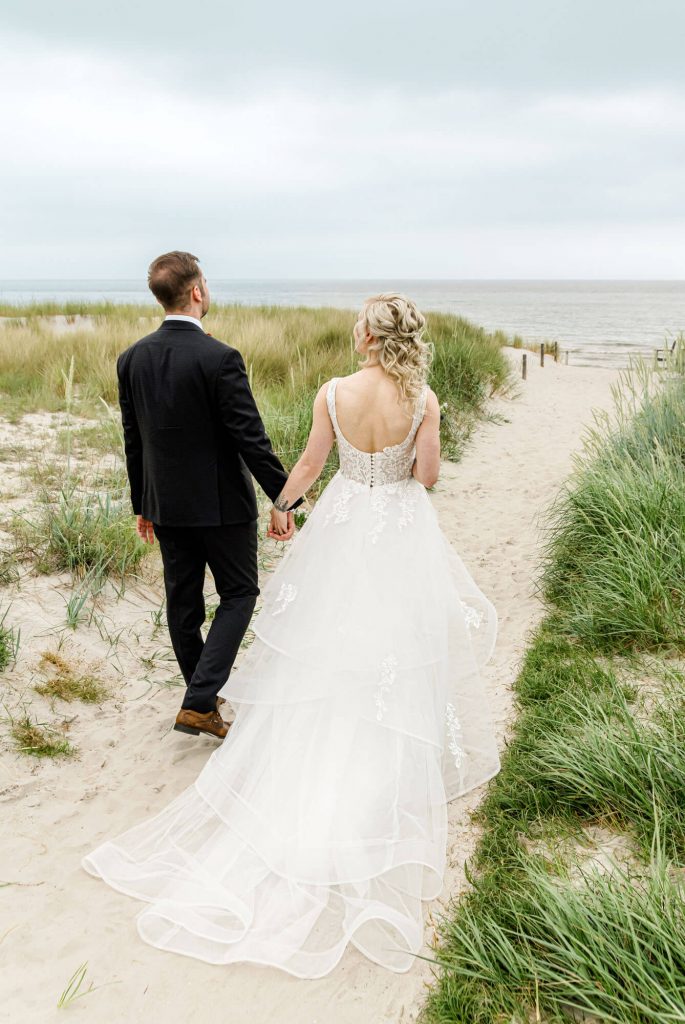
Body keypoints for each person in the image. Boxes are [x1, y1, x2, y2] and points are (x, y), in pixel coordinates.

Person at [83, 292, 501, 977]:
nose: (354, 330)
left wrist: (282, 506)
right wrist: (417, 439)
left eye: (359, 324)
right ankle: (388, 754)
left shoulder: (332, 392)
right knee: (398, 638)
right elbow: (426, 477)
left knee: (329, 636)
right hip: (400, 529)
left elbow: (308, 465)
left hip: (343, 524)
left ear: (369, 336)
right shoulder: (423, 399)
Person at [115, 251, 299, 741]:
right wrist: (285, 498)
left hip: (166, 506)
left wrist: (143, 504)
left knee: (183, 606)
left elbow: (134, 439)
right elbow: (250, 438)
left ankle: (203, 700)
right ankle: (199, 702)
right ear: (197, 291)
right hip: (222, 508)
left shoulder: (131, 358)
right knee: (239, 594)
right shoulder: (220, 357)